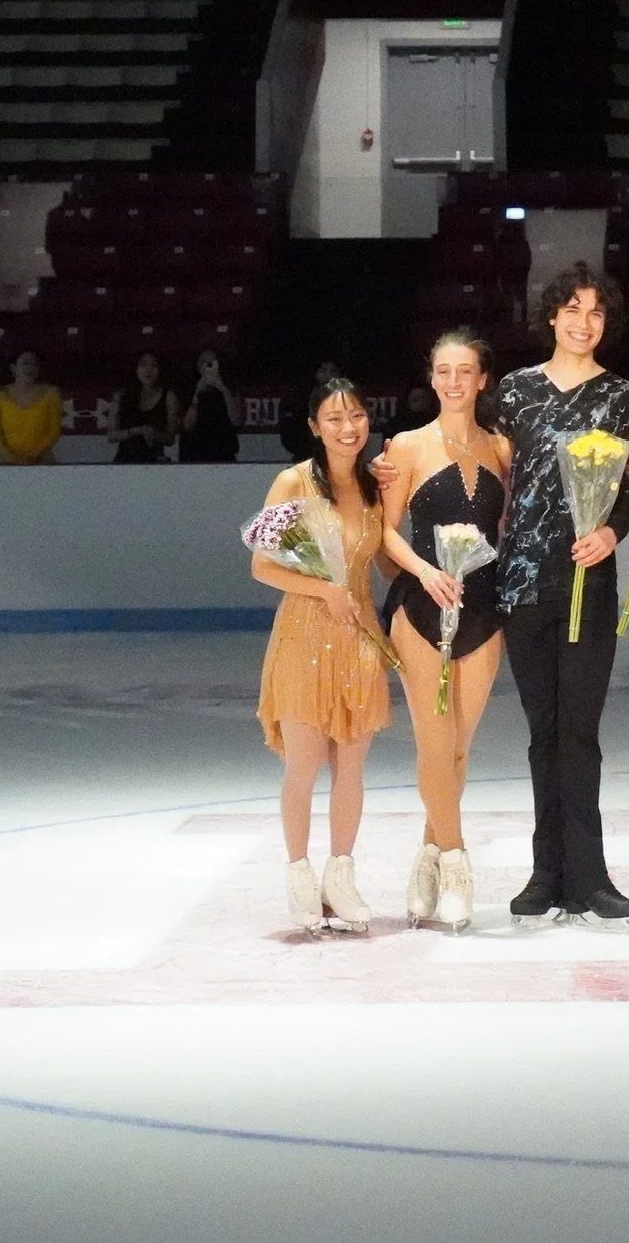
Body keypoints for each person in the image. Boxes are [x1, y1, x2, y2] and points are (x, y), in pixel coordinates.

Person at [486, 263, 629, 923]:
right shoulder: (513, 392)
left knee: (580, 732)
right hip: (523, 581)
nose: (584, 322)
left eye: (597, 312)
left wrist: (613, 535)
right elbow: (490, 474)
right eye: (572, 309)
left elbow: (626, 496)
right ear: (551, 316)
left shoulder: (623, 399)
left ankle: (591, 875)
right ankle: (544, 873)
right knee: (542, 733)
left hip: (590, 580)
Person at [377, 331, 511, 931]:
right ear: (431, 378)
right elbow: (385, 533)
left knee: (457, 745)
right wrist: (428, 572)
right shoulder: (405, 446)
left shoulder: (502, 449)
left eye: (465, 371)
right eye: (443, 370)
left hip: (483, 610)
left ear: (483, 379)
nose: (453, 381)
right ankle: (457, 862)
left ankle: (428, 854)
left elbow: (506, 532)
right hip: (420, 607)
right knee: (433, 738)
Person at [251, 373, 392, 934]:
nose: (348, 427)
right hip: (305, 634)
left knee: (352, 765)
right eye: (334, 418)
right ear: (314, 427)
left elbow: (383, 560)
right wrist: (322, 589)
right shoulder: (292, 482)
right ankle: (299, 876)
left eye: (356, 416)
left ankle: (341, 875)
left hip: (358, 633)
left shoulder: (375, 486)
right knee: (305, 765)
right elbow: (262, 564)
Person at [0, 351, 62, 465]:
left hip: (43, 462)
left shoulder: (51, 394)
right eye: (25, 364)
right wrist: (11, 457)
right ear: (13, 367)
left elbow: (54, 431)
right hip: (9, 463)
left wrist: (34, 456)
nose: (30, 368)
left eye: (34, 364)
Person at [107, 350, 179, 464]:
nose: (148, 370)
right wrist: (136, 431)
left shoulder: (169, 397)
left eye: (154, 365)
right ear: (135, 368)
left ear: (160, 370)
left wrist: (154, 434)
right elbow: (111, 436)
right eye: (143, 364)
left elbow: (170, 439)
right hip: (125, 461)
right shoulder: (120, 395)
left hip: (155, 461)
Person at [178, 349, 242, 464]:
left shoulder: (229, 386)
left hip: (224, 452)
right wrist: (197, 393)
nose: (207, 366)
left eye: (211, 362)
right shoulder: (189, 388)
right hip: (194, 454)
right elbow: (187, 425)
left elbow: (236, 420)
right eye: (203, 362)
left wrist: (222, 388)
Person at [280, 360, 342, 461]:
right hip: (305, 457)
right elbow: (289, 434)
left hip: (339, 458)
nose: (329, 375)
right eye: (324, 371)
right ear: (316, 374)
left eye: (333, 371)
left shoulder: (347, 399)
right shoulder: (298, 399)